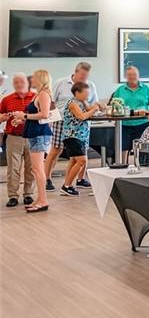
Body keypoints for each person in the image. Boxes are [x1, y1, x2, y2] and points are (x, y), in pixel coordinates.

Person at [46, 61, 101, 191]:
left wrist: (97, 107)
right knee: (56, 150)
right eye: (82, 75)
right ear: (76, 72)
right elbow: (51, 101)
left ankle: (78, 180)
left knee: (79, 155)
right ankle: (46, 179)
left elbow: (93, 104)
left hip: (81, 128)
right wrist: (49, 119)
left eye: (86, 76)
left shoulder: (89, 86)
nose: (84, 78)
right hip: (62, 122)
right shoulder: (61, 83)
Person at [15, 70, 55, 213]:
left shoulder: (44, 94)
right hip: (35, 133)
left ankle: (43, 200)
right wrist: (21, 119)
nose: (31, 80)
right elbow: (35, 115)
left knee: (38, 169)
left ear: (40, 79)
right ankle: (40, 199)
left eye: (33, 78)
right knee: (36, 169)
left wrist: (24, 116)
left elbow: (44, 114)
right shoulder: (38, 94)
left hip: (39, 134)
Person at [58, 83, 102, 197]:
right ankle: (66, 186)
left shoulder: (82, 102)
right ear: (77, 93)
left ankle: (68, 184)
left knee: (74, 160)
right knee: (81, 161)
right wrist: (93, 110)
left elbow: (89, 110)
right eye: (86, 93)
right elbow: (81, 116)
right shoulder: (72, 103)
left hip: (80, 136)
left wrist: (96, 106)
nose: (88, 95)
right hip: (73, 136)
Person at [1, 73, 36, 207]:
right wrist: (2, 118)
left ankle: (29, 194)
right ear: (13, 84)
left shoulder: (36, 97)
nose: (19, 84)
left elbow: (46, 116)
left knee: (31, 168)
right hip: (13, 137)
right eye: (16, 82)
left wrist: (24, 118)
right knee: (13, 169)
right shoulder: (7, 99)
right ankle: (13, 196)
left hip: (32, 138)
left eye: (22, 81)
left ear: (27, 83)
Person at [110, 66, 149, 163]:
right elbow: (113, 107)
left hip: (143, 124)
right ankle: (122, 166)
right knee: (123, 148)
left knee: (142, 151)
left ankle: (142, 167)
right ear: (126, 76)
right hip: (124, 124)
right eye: (129, 75)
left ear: (138, 76)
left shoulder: (146, 89)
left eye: (134, 74)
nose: (132, 77)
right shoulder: (120, 90)